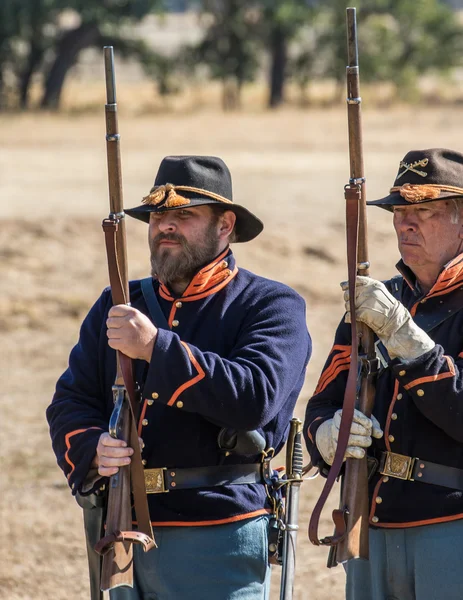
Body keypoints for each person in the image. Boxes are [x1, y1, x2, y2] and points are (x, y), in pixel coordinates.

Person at [47, 155, 311, 600]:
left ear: (225, 226)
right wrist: (95, 449)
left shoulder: (271, 305)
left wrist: (155, 348)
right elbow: (70, 401)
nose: (165, 226)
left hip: (220, 531)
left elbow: (255, 397)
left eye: (184, 215)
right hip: (122, 529)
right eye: (158, 216)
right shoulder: (120, 302)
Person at [304, 148, 463, 600]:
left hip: (451, 524)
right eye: (400, 211)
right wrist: (327, 434)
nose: (405, 224)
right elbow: (322, 401)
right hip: (370, 521)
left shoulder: (385, 309)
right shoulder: (379, 299)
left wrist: (406, 338)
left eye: (425, 211)